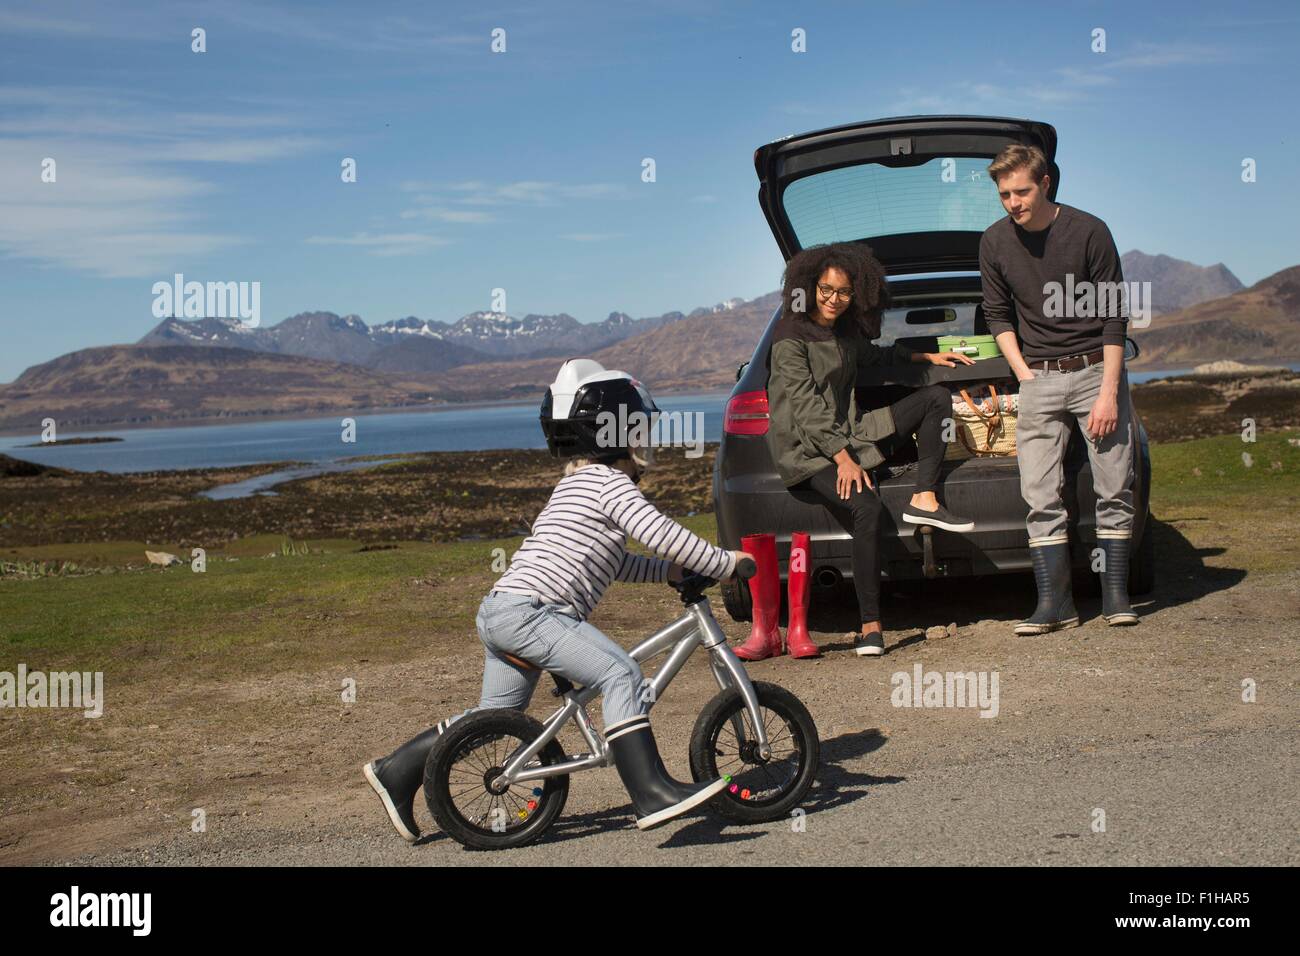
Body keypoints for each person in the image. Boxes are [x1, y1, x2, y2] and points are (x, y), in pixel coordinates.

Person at [364, 359, 746, 842]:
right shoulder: (611, 484)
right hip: (535, 615)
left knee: (493, 717)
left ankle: (396, 771)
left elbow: (613, 560)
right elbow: (662, 533)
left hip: (505, 609)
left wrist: (669, 571)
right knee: (620, 672)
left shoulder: (573, 486)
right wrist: (726, 563)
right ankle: (650, 794)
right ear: (618, 433)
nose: (646, 441)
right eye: (641, 429)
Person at [759, 242, 977, 659]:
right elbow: (805, 407)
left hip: (850, 433)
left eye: (843, 293)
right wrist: (842, 458)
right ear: (809, 285)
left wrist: (926, 354)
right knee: (866, 508)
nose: (833, 300)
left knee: (934, 398)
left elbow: (873, 357)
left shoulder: (843, 333)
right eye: (826, 289)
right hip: (807, 451)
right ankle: (871, 626)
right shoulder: (790, 335)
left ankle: (924, 497)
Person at [978, 142, 1138, 633]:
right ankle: (1055, 605)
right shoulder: (994, 242)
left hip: (1096, 372)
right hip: (1038, 380)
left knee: (1114, 486)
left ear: (1046, 183)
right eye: (1004, 194)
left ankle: (1115, 597)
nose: (1013, 203)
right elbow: (998, 315)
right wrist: (1024, 374)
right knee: (1039, 494)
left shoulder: (1090, 231)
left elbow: (1114, 318)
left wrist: (1109, 392)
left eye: (1021, 191)